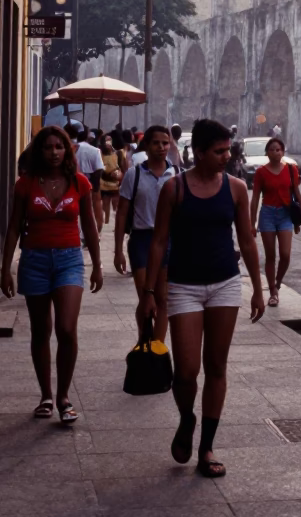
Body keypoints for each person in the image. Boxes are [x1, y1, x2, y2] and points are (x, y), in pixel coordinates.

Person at [138, 118, 265, 478]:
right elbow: (159, 241)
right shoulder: (175, 189)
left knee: (217, 367)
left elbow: (247, 241)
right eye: (219, 151)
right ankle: (187, 418)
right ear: (199, 152)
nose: (226, 156)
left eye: (228, 150)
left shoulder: (237, 188)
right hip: (183, 287)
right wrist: (149, 292)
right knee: (187, 370)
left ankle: (207, 446)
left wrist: (258, 288)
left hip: (225, 283)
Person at [1, 126, 102, 423]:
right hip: (34, 260)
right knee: (40, 330)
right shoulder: (25, 184)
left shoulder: (79, 182)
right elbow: (14, 227)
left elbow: (91, 226)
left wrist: (97, 265)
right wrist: (5, 268)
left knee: (67, 329)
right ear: (39, 151)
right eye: (48, 147)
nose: (55, 152)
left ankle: (64, 396)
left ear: (67, 150)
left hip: (70, 260)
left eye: (60, 147)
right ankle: (46, 395)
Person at [114, 125, 178, 341]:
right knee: (145, 296)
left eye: (165, 143)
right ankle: (144, 341)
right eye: (156, 143)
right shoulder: (134, 174)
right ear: (147, 146)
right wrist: (118, 251)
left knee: (163, 299)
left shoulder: (175, 174)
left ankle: (158, 348)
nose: (161, 147)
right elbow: (122, 213)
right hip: (142, 240)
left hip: (168, 239)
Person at [250, 137, 301, 306]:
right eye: (272, 149)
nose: (276, 152)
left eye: (279, 149)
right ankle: (273, 291)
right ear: (267, 153)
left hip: (285, 215)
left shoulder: (291, 170)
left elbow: (296, 193)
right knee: (270, 256)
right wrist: (252, 223)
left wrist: (299, 219)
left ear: (283, 152)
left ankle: (277, 283)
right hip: (267, 214)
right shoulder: (261, 172)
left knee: (286, 256)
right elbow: (254, 198)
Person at [99, 131, 124, 224]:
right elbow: (99, 169)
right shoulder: (100, 153)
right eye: (106, 140)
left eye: (109, 140)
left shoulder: (118, 153)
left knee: (115, 207)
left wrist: (118, 173)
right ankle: (106, 223)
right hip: (104, 184)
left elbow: (122, 167)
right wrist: (107, 173)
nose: (108, 143)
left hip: (115, 184)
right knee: (105, 206)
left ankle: (115, 225)